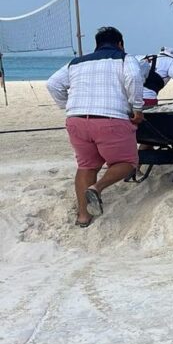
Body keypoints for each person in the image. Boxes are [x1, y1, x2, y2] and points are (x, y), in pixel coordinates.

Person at [45, 26, 144, 228]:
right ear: (120, 44)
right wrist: (137, 108)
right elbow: (134, 78)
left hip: (76, 120)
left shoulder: (76, 62)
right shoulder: (125, 58)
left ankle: (83, 217)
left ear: (96, 45)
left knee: (87, 166)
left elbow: (52, 83)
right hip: (110, 119)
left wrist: (67, 105)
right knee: (128, 162)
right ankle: (97, 188)